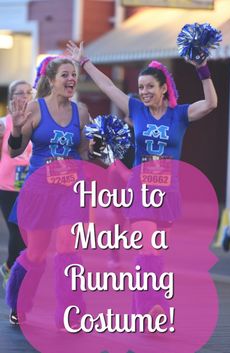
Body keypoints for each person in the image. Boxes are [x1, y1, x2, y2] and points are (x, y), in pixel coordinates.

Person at [66, 41, 218, 324]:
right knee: (148, 250)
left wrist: (202, 69)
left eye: (150, 86)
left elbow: (211, 104)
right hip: (140, 192)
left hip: (168, 193)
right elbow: (110, 88)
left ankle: (141, 306)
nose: (145, 92)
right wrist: (85, 63)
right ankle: (153, 307)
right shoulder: (136, 109)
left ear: (163, 88)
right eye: (141, 87)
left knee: (155, 254)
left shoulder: (179, 115)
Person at [5, 56, 96, 325]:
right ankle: (19, 302)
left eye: (74, 75)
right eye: (65, 75)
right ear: (52, 80)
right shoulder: (35, 108)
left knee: (68, 249)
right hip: (40, 191)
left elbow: (83, 152)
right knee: (36, 253)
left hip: (70, 191)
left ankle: (70, 310)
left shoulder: (80, 111)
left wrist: (96, 150)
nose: (71, 80)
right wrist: (18, 129)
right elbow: (14, 150)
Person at [0, 80, 32, 289]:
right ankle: (11, 269)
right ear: (12, 98)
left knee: (28, 234)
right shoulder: (4, 123)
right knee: (16, 230)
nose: (24, 96)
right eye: (19, 93)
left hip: (31, 185)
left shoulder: (37, 120)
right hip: (8, 185)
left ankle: (13, 268)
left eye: (28, 92)